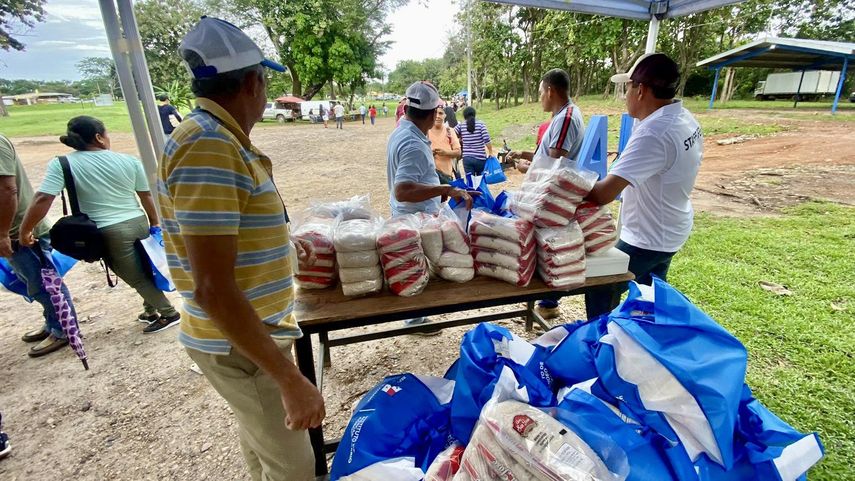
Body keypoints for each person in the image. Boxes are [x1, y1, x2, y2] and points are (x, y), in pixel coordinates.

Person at [159, 17, 324, 481]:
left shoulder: (215, 137)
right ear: (253, 82)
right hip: (244, 344)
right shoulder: (209, 145)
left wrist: (282, 245)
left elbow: (220, 229)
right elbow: (212, 287)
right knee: (294, 468)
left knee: (263, 450)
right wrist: (290, 379)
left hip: (248, 336)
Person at [19, 116, 180, 334]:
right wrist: (154, 222)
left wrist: (26, 228)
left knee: (135, 277)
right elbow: (145, 196)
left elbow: (43, 199)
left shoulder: (63, 164)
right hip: (137, 221)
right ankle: (149, 310)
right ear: (98, 137)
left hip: (108, 230)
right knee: (143, 266)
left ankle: (169, 313)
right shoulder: (128, 161)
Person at [584, 53, 703, 319]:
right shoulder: (683, 118)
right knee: (648, 295)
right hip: (671, 226)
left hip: (648, 236)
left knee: (600, 285)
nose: (625, 93)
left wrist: (563, 185)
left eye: (627, 87)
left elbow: (603, 194)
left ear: (641, 90)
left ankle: (602, 341)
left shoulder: (654, 133)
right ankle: (640, 334)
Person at [388, 81, 474, 332]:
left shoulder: (402, 132)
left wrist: (441, 186)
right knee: (418, 270)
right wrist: (443, 189)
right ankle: (415, 320)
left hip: (410, 215)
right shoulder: (413, 144)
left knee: (418, 268)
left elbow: (416, 177)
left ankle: (416, 317)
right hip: (415, 219)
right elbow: (403, 190)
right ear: (427, 114)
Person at [505, 69, 587, 320]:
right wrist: (524, 153)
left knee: (542, 245)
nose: (540, 97)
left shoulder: (565, 118)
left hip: (550, 199)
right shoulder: (563, 115)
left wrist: (524, 169)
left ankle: (547, 302)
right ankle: (541, 303)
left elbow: (554, 167)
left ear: (550, 91)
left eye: (541, 92)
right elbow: (547, 155)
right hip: (547, 196)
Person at [0, 134, 74, 357]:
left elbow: (7, 190)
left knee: (44, 283)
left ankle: (63, 330)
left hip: (18, 231)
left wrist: (4, 232)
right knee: (31, 280)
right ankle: (53, 322)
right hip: (13, 230)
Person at [455, 107, 494, 175]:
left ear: (464, 115)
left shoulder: (461, 125)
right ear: (474, 114)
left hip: (467, 158)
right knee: (481, 181)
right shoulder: (481, 124)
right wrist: (490, 152)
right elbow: (486, 139)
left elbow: (453, 133)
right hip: (480, 158)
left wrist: (459, 139)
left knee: (470, 182)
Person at [427, 106, 461, 184]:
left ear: (445, 116)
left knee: (444, 195)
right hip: (429, 176)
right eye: (435, 113)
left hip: (446, 176)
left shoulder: (450, 131)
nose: (438, 116)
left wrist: (445, 152)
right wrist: (430, 153)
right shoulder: (426, 131)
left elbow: (458, 152)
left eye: (440, 113)